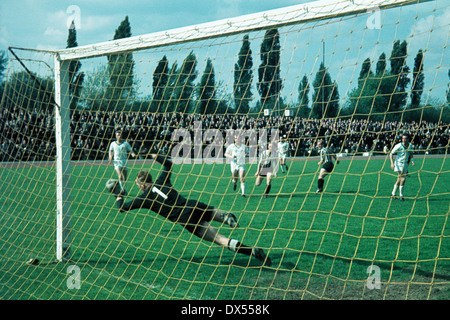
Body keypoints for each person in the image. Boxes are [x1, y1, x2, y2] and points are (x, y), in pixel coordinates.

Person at [108, 153, 272, 266]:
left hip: (185, 219)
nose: (138, 188)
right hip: (191, 204)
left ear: (142, 185)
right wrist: (151, 155)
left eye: (138, 185)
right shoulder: (161, 180)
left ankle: (253, 251)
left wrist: (118, 194)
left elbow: (122, 208)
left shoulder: (144, 198)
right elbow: (168, 163)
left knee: (221, 240)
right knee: (212, 211)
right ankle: (226, 216)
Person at [108, 129, 136, 195]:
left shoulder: (125, 143)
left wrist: (132, 153)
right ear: (116, 136)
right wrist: (110, 157)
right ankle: (123, 191)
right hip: (117, 162)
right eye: (118, 135)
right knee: (120, 176)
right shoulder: (113, 144)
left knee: (124, 177)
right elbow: (110, 150)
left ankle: (123, 189)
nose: (119, 136)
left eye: (120, 135)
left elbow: (130, 150)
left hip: (124, 161)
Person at [389, 134, 415, 201]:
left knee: (399, 179)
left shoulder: (410, 145)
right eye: (403, 138)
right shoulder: (398, 146)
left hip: (405, 164)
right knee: (403, 178)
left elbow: (411, 153)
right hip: (398, 164)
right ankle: (401, 196)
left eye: (406, 138)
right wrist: (392, 163)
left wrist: (412, 161)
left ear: (408, 139)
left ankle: (393, 194)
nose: (404, 140)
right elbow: (391, 153)